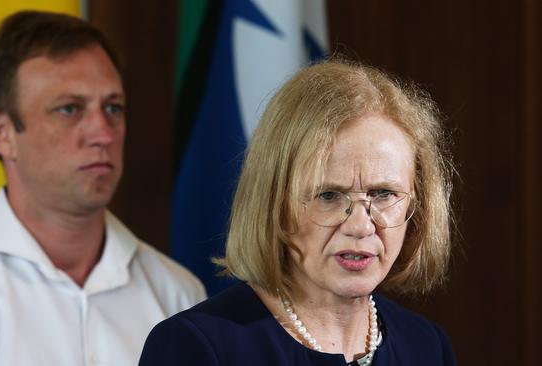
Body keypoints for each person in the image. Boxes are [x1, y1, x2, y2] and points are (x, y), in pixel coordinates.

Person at [0, 10, 205, 365]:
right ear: (1, 133)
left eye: (113, 108)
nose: (103, 133)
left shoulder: (178, 294)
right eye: (70, 109)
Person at [139, 59, 456, 365]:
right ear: (276, 203)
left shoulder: (426, 346)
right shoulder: (195, 347)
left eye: (384, 193)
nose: (360, 226)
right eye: (329, 195)